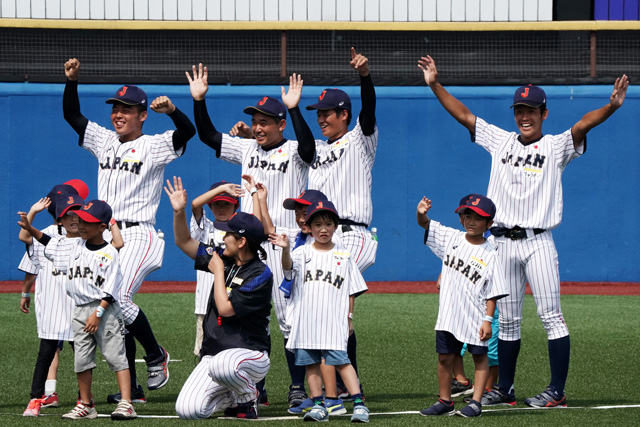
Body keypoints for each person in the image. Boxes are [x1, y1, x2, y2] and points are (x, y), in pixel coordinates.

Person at [419, 54, 629, 408]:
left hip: (537, 242)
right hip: (500, 243)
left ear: (544, 114)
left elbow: (582, 125)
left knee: (551, 316)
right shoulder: (500, 140)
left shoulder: (555, 146)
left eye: (532, 110)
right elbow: (465, 116)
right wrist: (435, 84)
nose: (525, 115)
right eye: (520, 109)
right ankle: (507, 389)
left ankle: (557, 392)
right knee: (510, 322)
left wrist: (611, 107)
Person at [63, 58, 196, 402]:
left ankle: (156, 354)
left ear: (142, 114)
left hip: (139, 233)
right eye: (116, 108)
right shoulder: (105, 140)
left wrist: (173, 110)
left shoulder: (153, 145)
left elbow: (187, 133)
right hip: (105, 235)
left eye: (127, 109)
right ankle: (133, 390)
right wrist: (73, 81)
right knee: (107, 306)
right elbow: (73, 118)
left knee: (117, 298)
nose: (118, 114)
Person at [187, 65, 314, 406]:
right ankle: (254, 386)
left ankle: (298, 386)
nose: (257, 127)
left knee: (288, 319)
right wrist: (199, 101)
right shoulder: (247, 149)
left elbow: (308, 147)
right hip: (245, 244)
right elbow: (210, 136)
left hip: (281, 240)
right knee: (244, 314)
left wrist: (293, 107)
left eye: (265, 121)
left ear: (280, 125)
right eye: (255, 121)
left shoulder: (294, 153)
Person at [287, 47, 378, 396]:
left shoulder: (360, 140)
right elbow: (307, 146)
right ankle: (334, 382)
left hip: (352, 234)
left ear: (344, 114)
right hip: (324, 237)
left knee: (337, 309)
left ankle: (344, 383)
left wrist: (365, 76)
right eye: (319, 113)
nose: (321, 118)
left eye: (326, 113)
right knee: (324, 310)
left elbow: (368, 113)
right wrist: (294, 109)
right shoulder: (319, 150)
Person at [18, 200, 136, 420]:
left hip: (105, 310)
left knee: (116, 357)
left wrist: (98, 313)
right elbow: (49, 243)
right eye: (80, 220)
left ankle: (126, 403)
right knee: (81, 359)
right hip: (80, 310)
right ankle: (86, 404)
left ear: (102, 227)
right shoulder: (74, 245)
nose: (81, 225)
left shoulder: (109, 253)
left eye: (87, 222)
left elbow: (111, 289)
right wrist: (30, 228)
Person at [166, 177, 273, 420]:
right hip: (215, 355)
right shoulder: (223, 258)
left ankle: (249, 396)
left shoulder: (260, 273)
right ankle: (234, 398)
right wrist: (179, 212)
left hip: (250, 355)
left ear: (242, 241)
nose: (222, 237)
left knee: (223, 365)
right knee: (188, 410)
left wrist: (217, 273)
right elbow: (183, 241)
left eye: (228, 235)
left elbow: (225, 309)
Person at [270, 200, 370, 423]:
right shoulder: (300, 253)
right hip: (306, 320)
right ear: (310, 227)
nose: (323, 229)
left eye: (328, 224)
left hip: (333, 320)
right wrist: (285, 249)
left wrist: (349, 318)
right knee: (311, 364)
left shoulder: (344, 256)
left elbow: (351, 291)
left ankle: (359, 404)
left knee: (342, 362)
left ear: (335, 226)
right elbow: (287, 268)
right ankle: (319, 405)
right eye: (317, 225)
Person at [417, 194, 508, 418]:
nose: (471, 221)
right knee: (445, 357)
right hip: (448, 313)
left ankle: (476, 402)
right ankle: (445, 400)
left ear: (489, 224)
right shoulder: (451, 238)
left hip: (476, 315)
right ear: (460, 218)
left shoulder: (491, 254)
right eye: (466, 215)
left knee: (479, 358)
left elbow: (493, 292)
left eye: (478, 218)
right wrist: (421, 214)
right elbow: (426, 225)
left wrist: (488, 320)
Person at [19, 192, 82, 417]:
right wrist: (33, 213)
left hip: (79, 307)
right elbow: (26, 238)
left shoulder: (89, 240)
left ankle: (84, 399)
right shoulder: (49, 238)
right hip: (53, 305)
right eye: (68, 215)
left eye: (77, 214)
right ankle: (36, 398)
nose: (74, 219)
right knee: (45, 354)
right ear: (60, 218)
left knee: (82, 355)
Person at [189, 180, 244, 357]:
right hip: (205, 303)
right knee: (205, 353)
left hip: (233, 303)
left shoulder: (242, 231)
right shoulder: (205, 228)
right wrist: (221, 190)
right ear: (210, 207)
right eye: (217, 204)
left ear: (235, 205)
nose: (221, 208)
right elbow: (195, 204)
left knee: (234, 353)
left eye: (226, 204)